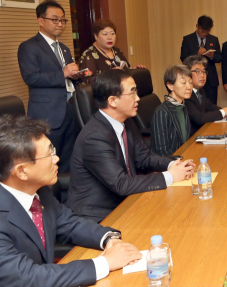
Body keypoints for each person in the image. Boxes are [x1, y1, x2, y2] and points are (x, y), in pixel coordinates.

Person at [0, 115, 142, 287]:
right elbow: (28, 279)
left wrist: (108, 239)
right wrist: (105, 262)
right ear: (22, 171)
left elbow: (69, 223)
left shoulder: (36, 189)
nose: (56, 159)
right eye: (49, 154)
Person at [66, 70, 195, 223]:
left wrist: (173, 164)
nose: (138, 98)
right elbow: (121, 184)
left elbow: (144, 157)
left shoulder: (125, 121)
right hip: (98, 216)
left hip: (126, 202)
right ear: (113, 101)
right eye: (132, 93)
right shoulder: (94, 137)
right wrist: (171, 176)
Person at [18, 0, 80, 174]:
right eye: (55, 20)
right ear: (40, 20)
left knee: (69, 159)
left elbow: (67, 76)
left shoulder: (64, 48)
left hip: (70, 109)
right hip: (47, 113)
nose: (60, 24)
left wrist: (75, 75)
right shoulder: (29, 47)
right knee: (47, 161)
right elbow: (30, 77)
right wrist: (63, 73)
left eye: (63, 20)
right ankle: (49, 199)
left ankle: (68, 199)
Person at [77, 19, 145, 85]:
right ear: (96, 36)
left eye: (112, 34)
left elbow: (124, 71)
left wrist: (133, 70)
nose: (109, 37)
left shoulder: (118, 51)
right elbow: (87, 81)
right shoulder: (88, 55)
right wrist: (110, 75)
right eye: (105, 34)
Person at [183, 55, 227, 135]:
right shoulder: (186, 95)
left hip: (203, 131)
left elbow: (209, 106)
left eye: (204, 71)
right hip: (192, 139)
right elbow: (199, 118)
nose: (202, 75)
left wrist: (226, 112)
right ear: (187, 73)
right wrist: (223, 112)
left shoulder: (200, 90)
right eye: (198, 71)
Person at [150, 65, 193, 156]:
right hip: (171, 163)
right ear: (170, 86)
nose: (189, 87)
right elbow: (162, 151)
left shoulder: (182, 106)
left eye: (190, 82)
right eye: (184, 82)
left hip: (184, 156)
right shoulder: (162, 112)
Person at [180, 15, 222, 104]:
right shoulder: (187, 39)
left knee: (211, 105)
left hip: (210, 80)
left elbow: (219, 58)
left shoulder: (214, 39)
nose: (204, 33)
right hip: (193, 79)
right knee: (195, 105)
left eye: (207, 31)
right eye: (202, 31)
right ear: (197, 26)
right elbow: (183, 58)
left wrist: (212, 56)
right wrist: (197, 53)